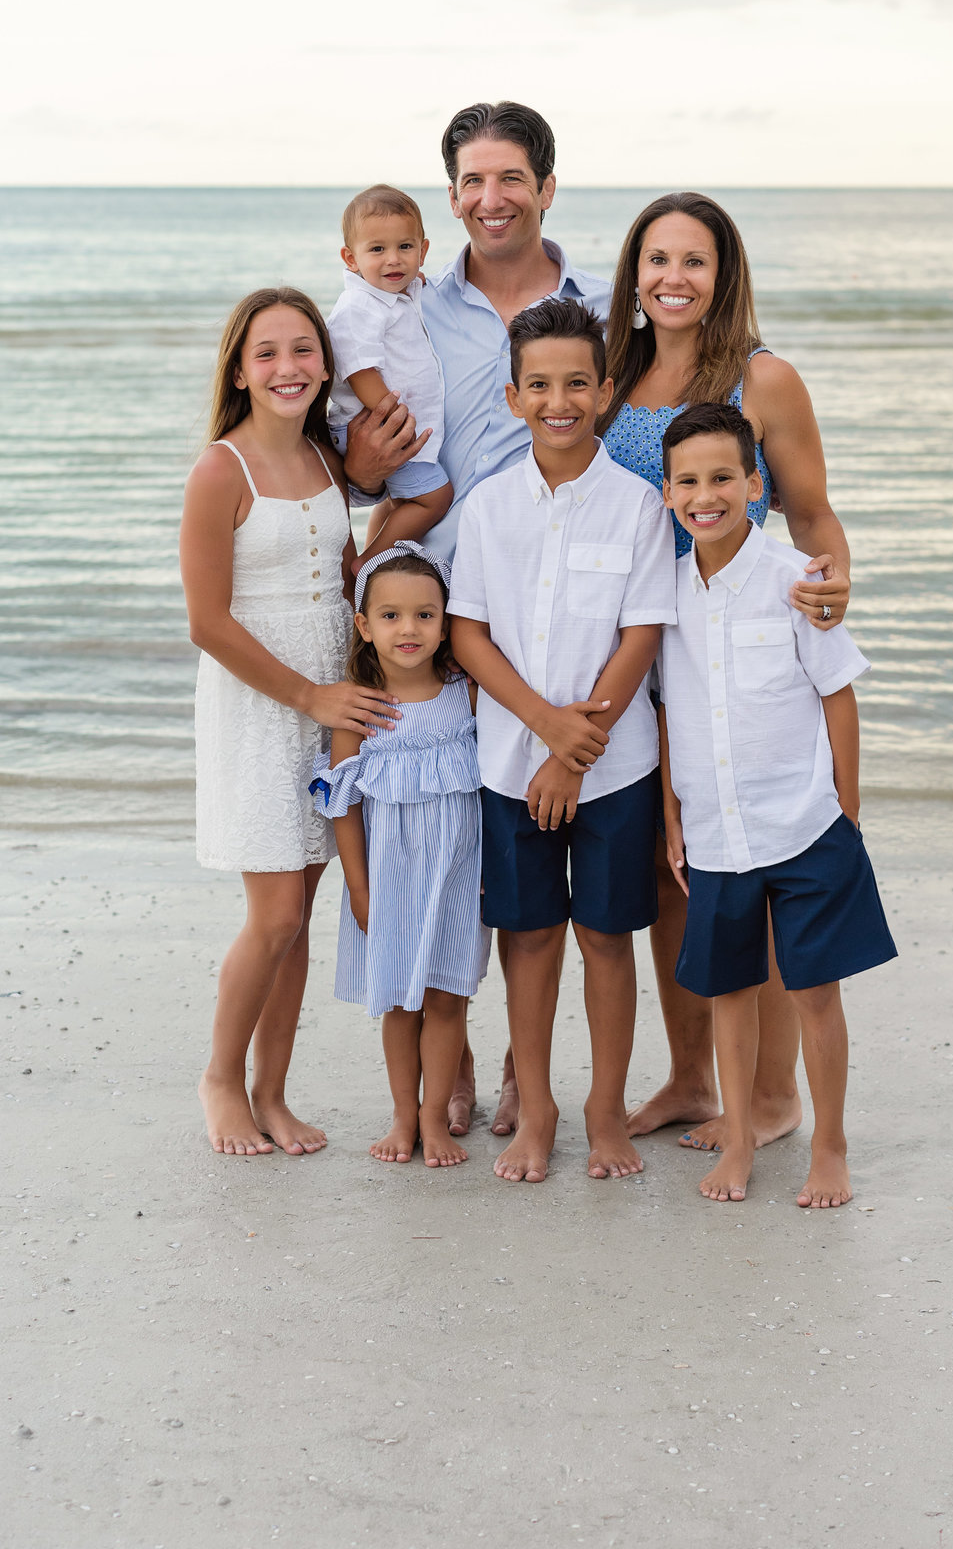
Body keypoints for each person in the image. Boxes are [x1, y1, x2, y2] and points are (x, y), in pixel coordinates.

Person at [341, 100, 610, 1137]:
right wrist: (359, 469)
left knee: (547, 865)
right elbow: (362, 450)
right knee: (456, 846)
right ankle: (445, 1053)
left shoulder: (602, 302)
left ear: (547, 186)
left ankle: (515, 1059)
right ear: (451, 193)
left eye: (510, 179)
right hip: (448, 629)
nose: (490, 200)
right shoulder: (402, 304)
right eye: (470, 182)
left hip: (574, 620)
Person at [599, 192, 853, 1151]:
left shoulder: (764, 377)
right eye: (656, 259)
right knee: (681, 873)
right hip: (651, 647)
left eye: (694, 261)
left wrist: (832, 591)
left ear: (724, 274)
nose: (672, 278)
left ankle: (777, 1095)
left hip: (743, 643)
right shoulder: (615, 372)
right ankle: (693, 1079)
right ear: (633, 273)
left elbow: (812, 512)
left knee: (772, 871)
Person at [449, 298, 676, 1182]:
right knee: (532, 937)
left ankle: (605, 1109)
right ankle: (536, 1105)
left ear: (606, 391)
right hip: (511, 765)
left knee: (607, 939)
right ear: (512, 397)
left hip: (617, 770)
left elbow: (643, 635)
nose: (559, 401)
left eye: (577, 383)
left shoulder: (638, 505)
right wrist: (545, 732)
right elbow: (468, 635)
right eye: (539, 385)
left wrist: (575, 752)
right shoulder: (490, 507)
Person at [657, 404, 896, 1205]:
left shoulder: (796, 580)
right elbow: (666, 709)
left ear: (755, 485)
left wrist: (847, 813)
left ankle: (830, 1145)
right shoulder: (666, 598)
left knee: (813, 992)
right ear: (666, 494)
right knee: (727, 992)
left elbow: (838, 696)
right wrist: (671, 812)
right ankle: (738, 1137)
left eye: (723, 477)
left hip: (803, 822)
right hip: (717, 831)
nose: (706, 494)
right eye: (688, 481)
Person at [181, 288, 400, 1157]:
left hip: (328, 701)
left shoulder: (323, 457)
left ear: (325, 363)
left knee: (300, 909)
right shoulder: (218, 470)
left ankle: (274, 1092)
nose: (287, 368)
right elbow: (208, 622)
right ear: (240, 369)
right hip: (259, 706)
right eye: (267, 353)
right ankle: (220, 1080)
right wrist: (307, 698)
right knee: (272, 916)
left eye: (304, 350)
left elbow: (346, 577)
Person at [314, 546, 490, 1170]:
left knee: (445, 997)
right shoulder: (356, 710)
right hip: (385, 880)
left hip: (455, 879)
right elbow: (343, 808)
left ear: (447, 623)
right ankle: (401, 1117)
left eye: (424, 615)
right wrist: (360, 889)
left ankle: (436, 1117)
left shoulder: (466, 698)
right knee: (399, 1001)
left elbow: (489, 796)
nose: (408, 629)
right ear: (364, 625)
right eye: (390, 615)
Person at [324, 186, 452, 568]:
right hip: (380, 427)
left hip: (393, 425)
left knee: (403, 501)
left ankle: (379, 553)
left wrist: (415, 281)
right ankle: (371, 563)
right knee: (435, 498)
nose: (393, 260)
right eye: (377, 250)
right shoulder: (358, 306)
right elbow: (360, 369)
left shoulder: (400, 290)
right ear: (351, 258)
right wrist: (392, 418)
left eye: (405, 248)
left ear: (423, 251)